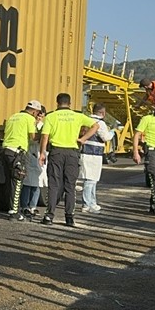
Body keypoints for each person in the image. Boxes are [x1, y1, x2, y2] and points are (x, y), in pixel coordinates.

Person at [38, 93, 99, 227]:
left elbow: (45, 136)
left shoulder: (51, 117)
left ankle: (49, 216)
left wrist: (42, 152)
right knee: (70, 186)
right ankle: (69, 217)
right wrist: (83, 139)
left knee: (54, 185)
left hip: (56, 152)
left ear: (57, 103)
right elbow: (95, 126)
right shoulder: (77, 116)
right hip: (72, 153)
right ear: (70, 104)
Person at [0, 100, 45, 220]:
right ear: (35, 111)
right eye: (37, 113)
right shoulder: (29, 119)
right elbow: (33, 137)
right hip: (17, 152)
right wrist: (45, 134)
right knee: (17, 182)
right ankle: (14, 212)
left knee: (10, 182)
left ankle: (12, 208)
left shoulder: (13, 116)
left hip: (6, 150)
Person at [80, 104, 115, 213]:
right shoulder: (101, 123)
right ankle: (87, 204)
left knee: (89, 179)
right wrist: (112, 132)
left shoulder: (85, 120)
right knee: (91, 180)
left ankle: (92, 203)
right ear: (103, 113)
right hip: (94, 153)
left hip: (84, 151)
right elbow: (105, 137)